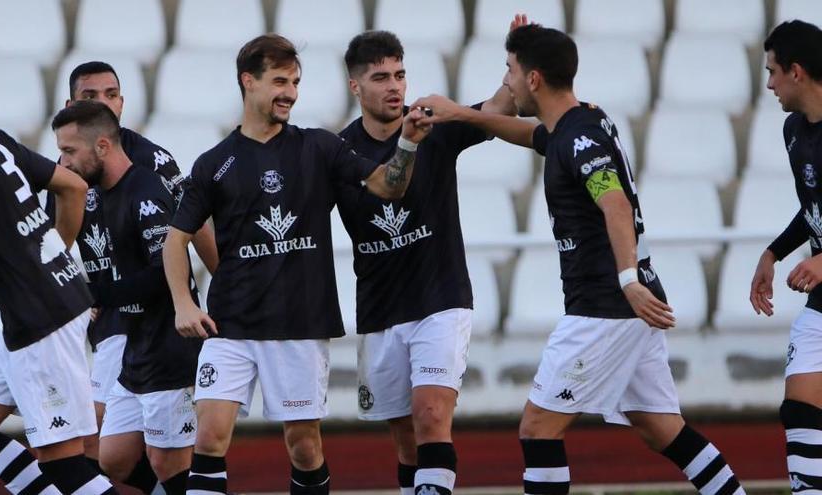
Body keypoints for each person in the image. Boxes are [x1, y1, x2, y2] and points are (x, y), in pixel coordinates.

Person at [414, 23, 746, 495]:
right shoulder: (578, 123)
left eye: (510, 70)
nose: (506, 82)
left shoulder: (577, 138)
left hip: (605, 307)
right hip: (627, 304)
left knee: (537, 428)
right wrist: (460, 117)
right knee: (661, 429)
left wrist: (627, 280)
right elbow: (526, 134)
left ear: (534, 80)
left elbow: (615, 203)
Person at [162, 34, 431, 495]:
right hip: (231, 324)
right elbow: (175, 239)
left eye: (296, 82)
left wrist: (405, 144)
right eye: (279, 81)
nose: (290, 92)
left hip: (299, 324)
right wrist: (183, 304)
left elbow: (388, 187)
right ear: (249, 81)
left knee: (303, 445)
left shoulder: (319, 148)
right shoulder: (215, 162)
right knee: (207, 436)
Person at [336, 27, 516, 494]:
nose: (395, 86)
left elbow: (499, 110)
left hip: (441, 297)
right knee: (407, 444)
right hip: (379, 308)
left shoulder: (433, 126)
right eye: (380, 77)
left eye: (399, 74)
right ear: (355, 86)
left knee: (431, 415)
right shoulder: (337, 153)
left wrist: (516, 58)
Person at [63, 61, 217, 493]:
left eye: (111, 95)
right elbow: (65, 229)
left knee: (95, 426)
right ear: (72, 103)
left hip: (141, 314)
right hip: (111, 309)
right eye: (91, 97)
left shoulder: (149, 163)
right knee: (112, 450)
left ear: (123, 102)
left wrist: (220, 284)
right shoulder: (70, 159)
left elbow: (195, 219)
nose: (104, 104)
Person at [0, 120, 118, 494]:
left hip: (39, 317)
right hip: (37, 307)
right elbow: (72, 187)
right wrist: (52, 260)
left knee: (63, 464)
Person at [749, 19, 822, 493]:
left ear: (796, 71)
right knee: (799, 406)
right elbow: (813, 209)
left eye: (773, 72)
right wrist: (773, 253)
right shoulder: (794, 130)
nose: (770, 84)